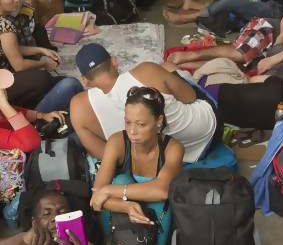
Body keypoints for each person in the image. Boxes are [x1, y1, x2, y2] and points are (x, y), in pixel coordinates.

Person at [89, 86, 184, 245]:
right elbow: (96, 199)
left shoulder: (173, 148)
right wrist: (126, 205)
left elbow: (161, 191)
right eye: (128, 122)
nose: (133, 132)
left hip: (157, 218)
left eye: (141, 124)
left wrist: (112, 190)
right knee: (122, 178)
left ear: (159, 120)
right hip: (123, 221)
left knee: (160, 198)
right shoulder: (117, 142)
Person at [70, 44, 218, 162]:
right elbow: (190, 97)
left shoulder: (78, 107)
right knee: (167, 67)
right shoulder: (147, 70)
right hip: (205, 135)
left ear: (85, 80)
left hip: (157, 164)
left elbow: (108, 157)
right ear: (114, 61)